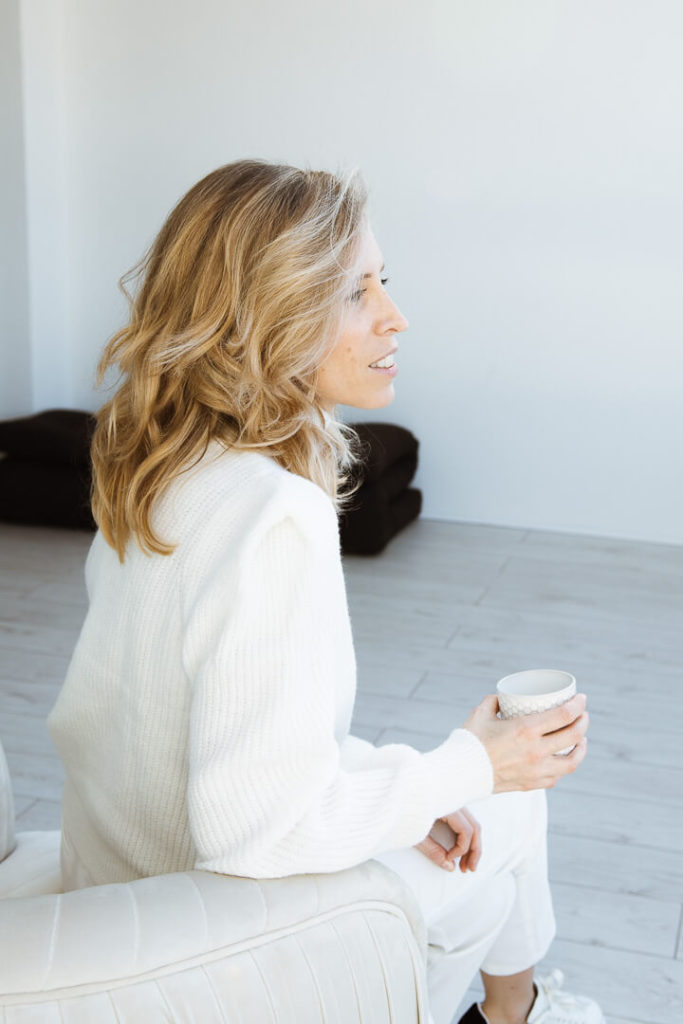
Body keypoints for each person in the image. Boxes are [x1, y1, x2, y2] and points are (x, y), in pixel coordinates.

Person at [47, 159, 603, 1024]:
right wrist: (475, 763)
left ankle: (510, 1010)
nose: (394, 315)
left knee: (471, 851)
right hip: (201, 940)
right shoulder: (273, 516)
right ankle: (517, 1012)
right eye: (354, 292)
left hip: (122, 886)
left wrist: (408, 791)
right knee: (511, 808)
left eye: (383, 280)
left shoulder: (161, 472)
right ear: (262, 316)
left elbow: (221, 731)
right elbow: (259, 831)